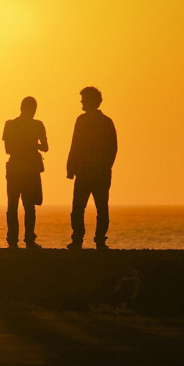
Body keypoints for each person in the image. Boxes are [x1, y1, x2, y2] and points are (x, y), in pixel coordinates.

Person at [66, 86, 117, 250]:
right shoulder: (105, 122)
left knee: (81, 208)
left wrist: (71, 168)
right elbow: (113, 148)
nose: (81, 102)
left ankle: (81, 240)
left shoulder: (84, 121)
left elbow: (75, 145)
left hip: (89, 172)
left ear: (91, 101)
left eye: (83, 99)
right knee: (99, 208)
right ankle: (98, 240)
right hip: (96, 172)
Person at [2, 96, 49, 249]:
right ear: (34, 109)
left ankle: (12, 240)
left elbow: (8, 149)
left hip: (14, 168)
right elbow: (45, 147)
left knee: (12, 205)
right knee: (29, 207)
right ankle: (29, 240)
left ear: (21, 107)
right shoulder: (38, 125)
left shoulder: (9, 125)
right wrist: (33, 145)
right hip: (30, 170)